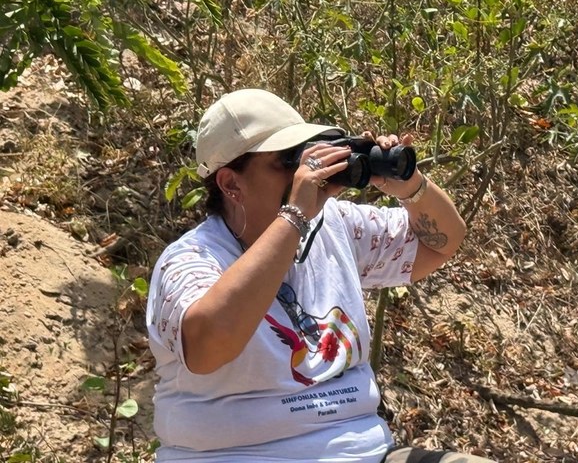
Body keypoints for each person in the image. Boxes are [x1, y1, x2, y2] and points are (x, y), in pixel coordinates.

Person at [146, 89, 495, 462]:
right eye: (287, 161)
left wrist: (408, 186)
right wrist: (294, 215)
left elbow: (441, 244)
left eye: (307, 154)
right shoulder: (190, 260)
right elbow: (207, 348)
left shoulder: (334, 226)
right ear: (231, 184)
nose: (304, 173)